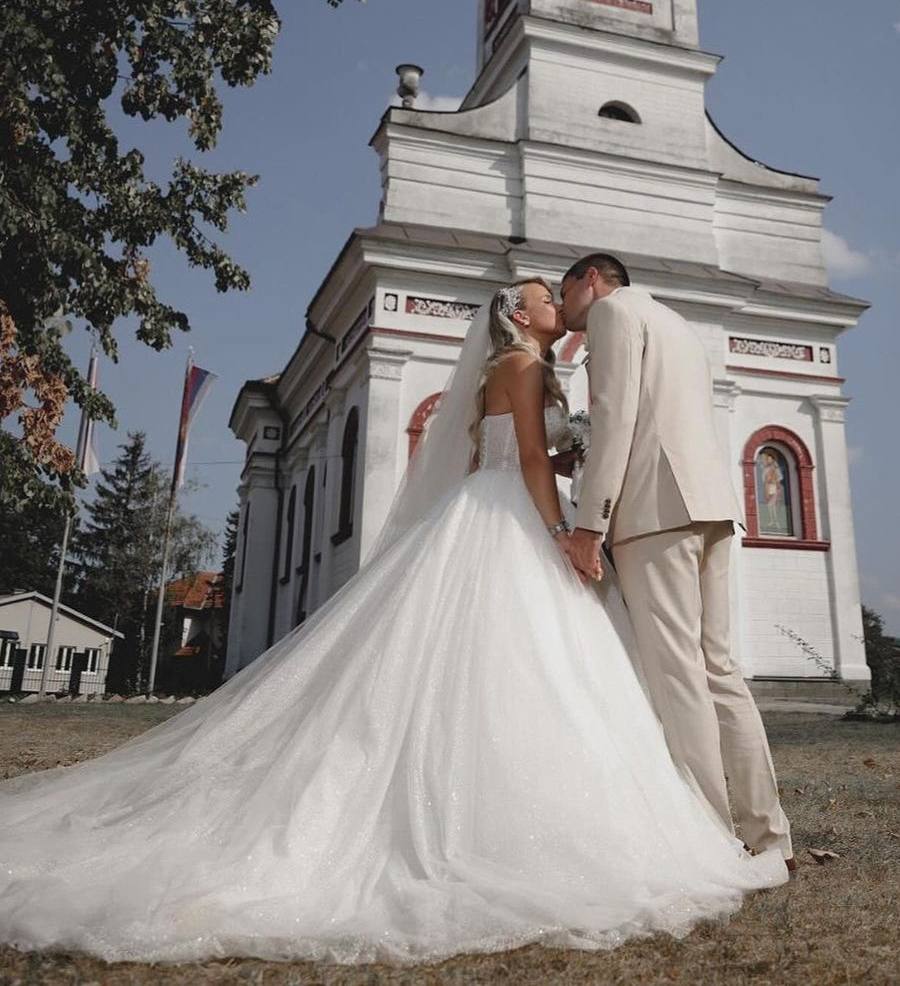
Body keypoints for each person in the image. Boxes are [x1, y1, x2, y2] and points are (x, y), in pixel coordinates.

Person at [0, 280, 787, 968]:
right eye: (543, 296)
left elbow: (535, 453)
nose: (555, 302)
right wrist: (562, 531)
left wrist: (570, 464)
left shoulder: (532, 367)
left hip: (511, 507)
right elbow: (529, 461)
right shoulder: (518, 365)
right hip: (512, 517)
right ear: (518, 314)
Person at [558, 254, 795, 870]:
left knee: (678, 675)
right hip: (711, 505)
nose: (562, 309)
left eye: (564, 292)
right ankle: (770, 834)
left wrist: (590, 523)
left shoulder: (611, 314)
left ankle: (711, 837)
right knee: (720, 670)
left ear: (591, 280)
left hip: (655, 512)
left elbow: (615, 418)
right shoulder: (676, 323)